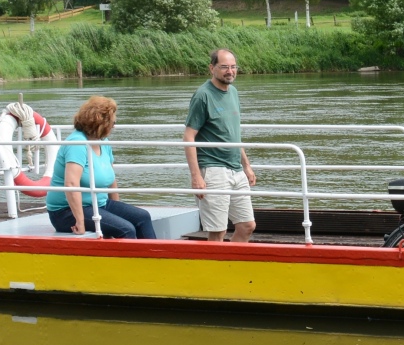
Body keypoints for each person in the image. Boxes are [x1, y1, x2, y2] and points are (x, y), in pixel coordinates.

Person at [46, 95, 157, 239]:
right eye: (112, 122)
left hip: (99, 204)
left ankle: (155, 258)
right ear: (101, 122)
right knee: (126, 229)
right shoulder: (77, 144)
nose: (114, 126)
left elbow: (111, 178)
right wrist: (80, 221)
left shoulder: (103, 142)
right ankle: (131, 261)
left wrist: (117, 209)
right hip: (66, 212)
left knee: (143, 217)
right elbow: (71, 184)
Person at [184, 48, 256, 242]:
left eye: (233, 67)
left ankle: (230, 267)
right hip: (213, 168)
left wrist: (246, 165)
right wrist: (196, 176)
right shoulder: (203, 96)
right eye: (224, 67)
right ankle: (213, 270)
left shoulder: (233, 92)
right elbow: (189, 137)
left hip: (235, 168)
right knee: (218, 231)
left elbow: (233, 133)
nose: (230, 71)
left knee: (247, 226)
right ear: (212, 68)